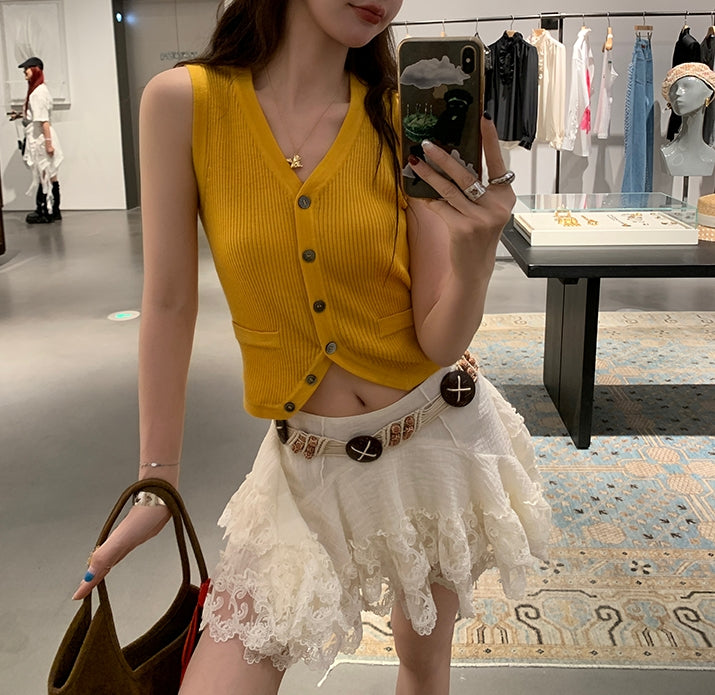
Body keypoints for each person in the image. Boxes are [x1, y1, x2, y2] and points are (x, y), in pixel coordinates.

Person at [72, 2, 551, 693]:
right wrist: (157, 478)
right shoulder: (183, 104)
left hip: (434, 438)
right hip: (307, 468)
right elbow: (169, 303)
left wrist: (476, 260)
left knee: (423, 667)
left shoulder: (399, 116)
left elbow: (438, 337)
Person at [8, 56, 63, 223]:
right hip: (41, 136)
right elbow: (37, 116)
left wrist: (48, 144)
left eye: (27, 68)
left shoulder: (37, 94)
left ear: (36, 69)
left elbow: (43, 121)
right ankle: (53, 210)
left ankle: (45, 211)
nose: (24, 71)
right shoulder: (40, 90)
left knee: (44, 174)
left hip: (40, 138)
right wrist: (21, 115)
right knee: (49, 174)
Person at [660, 62, 715, 177]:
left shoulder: (711, 157)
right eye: (674, 88)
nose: (678, 93)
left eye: (687, 87)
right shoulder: (667, 155)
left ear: (709, 94)